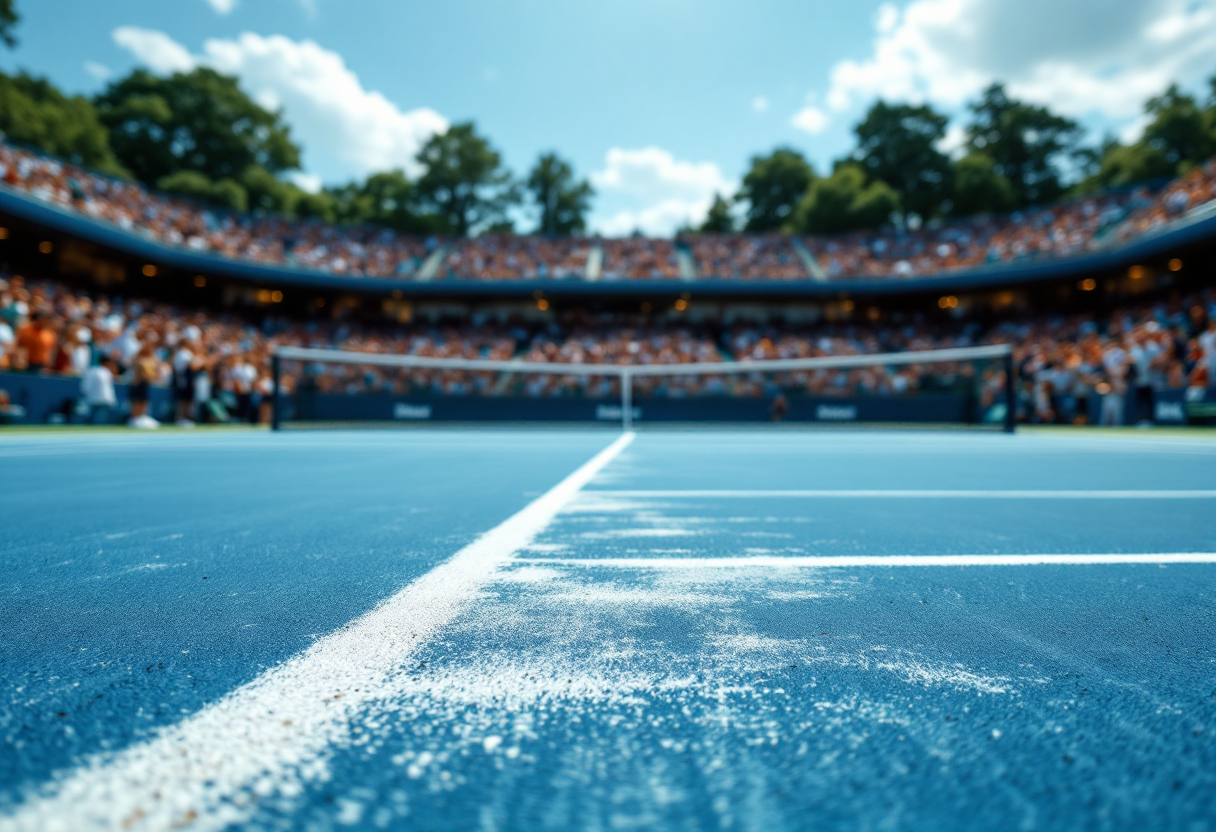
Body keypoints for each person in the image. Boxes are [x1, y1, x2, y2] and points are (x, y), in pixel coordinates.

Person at [128, 341, 160, 429]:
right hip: (138, 383)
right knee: (137, 402)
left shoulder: (152, 359)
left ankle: (141, 418)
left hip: (145, 383)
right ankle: (134, 419)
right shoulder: (140, 359)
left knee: (144, 402)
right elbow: (141, 373)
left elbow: (156, 371)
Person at [81, 356, 118, 424]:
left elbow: (85, 387)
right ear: (106, 363)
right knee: (98, 423)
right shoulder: (105, 372)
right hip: (103, 401)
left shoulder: (92, 371)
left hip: (94, 400)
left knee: (92, 422)